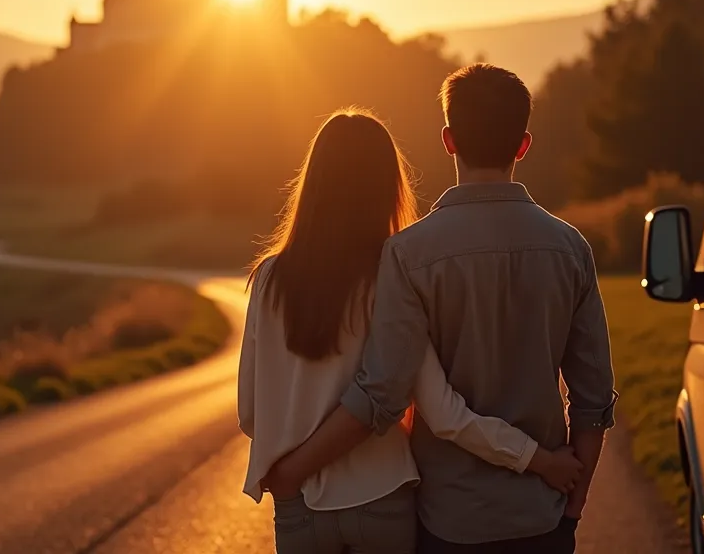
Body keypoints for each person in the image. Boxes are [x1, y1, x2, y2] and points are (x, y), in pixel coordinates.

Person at [262, 65, 618, 554]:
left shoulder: (409, 254)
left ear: (449, 140)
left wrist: (294, 469)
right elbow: (593, 400)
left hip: (448, 519)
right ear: (524, 145)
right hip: (542, 517)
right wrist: (572, 511)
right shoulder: (571, 249)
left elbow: (384, 391)